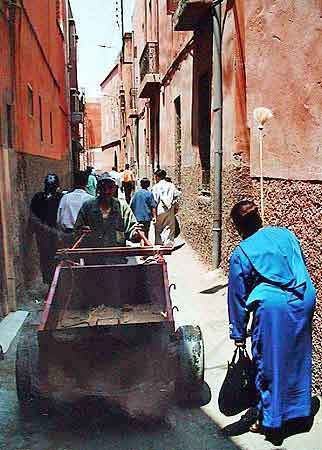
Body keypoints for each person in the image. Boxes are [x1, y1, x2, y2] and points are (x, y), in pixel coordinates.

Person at [227, 200, 316, 437]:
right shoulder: (285, 234)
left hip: (274, 308)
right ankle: (299, 412)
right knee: (297, 356)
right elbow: (298, 264)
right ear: (259, 219)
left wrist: (238, 333)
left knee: (269, 362)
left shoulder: (242, 252)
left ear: (238, 227)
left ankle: (271, 421)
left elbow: (237, 296)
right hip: (304, 296)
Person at [74, 173, 142, 263]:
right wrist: (82, 232)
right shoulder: (88, 206)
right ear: (98, 189)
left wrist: (136, 233)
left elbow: (131, 229)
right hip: (94, 261)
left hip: (117, 260)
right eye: (103, 188)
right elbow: (77, 232)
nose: (106, 191)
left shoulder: (122, 207)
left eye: (110, 187)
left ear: (115, 189)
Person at [30, 173, 63, 285]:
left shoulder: (60, 197)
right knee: (46, 258)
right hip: (45, 234)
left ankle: (56, 282)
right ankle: (50, 282)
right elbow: (33, 216)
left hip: (55, 233)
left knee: (55, 257)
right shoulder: (39, 197)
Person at [152, 169, 180, 246]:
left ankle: (159, 244)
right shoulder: (171, 185)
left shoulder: (156, 186)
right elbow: (177, 194)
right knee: (169, 226)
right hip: (170, 208)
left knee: (158, 227)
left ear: (158, 177)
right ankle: (168, 244)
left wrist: (153, 214)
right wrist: (175, 205)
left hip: (160, 208)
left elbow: (154, 200)